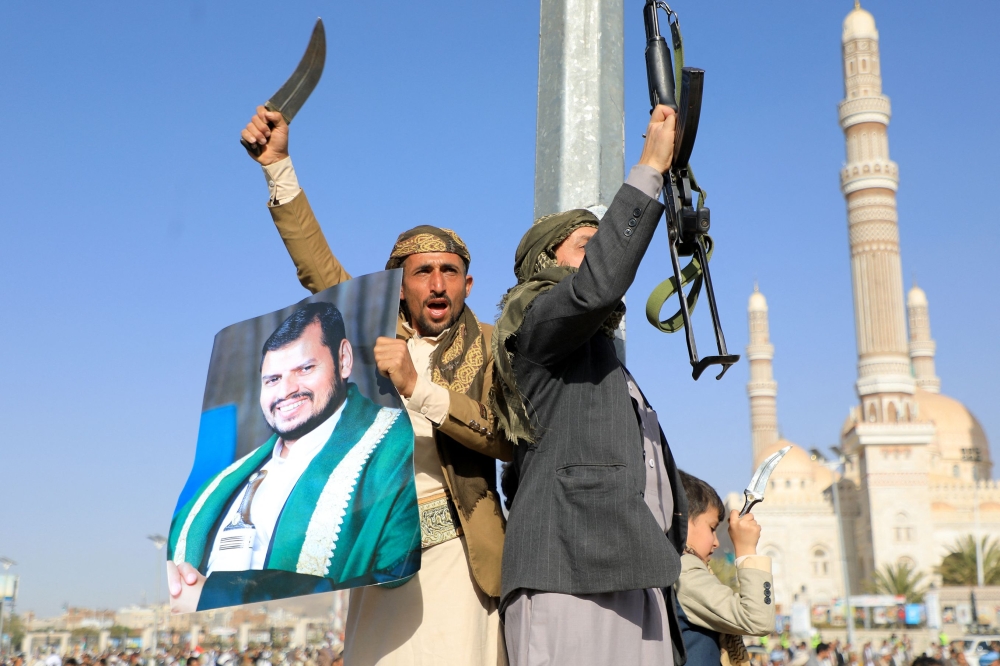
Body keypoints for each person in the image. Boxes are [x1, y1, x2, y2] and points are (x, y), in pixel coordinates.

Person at [239, 107, 511, 665]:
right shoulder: (364, 337)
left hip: (461, 557)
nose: (438, 283)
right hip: (380, 555)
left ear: (468, 283)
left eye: (450, 271)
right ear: (399, 285)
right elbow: (316, 266)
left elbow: (504, 438)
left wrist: (420, 388)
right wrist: (278, 167)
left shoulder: (493, 345)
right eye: (422, 272)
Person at [490, 104, 686, 665]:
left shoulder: (603, 361)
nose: (600, 258)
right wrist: (650, 167)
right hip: (568, 572)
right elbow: (594, 289)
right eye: (585, 246)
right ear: (547, 263)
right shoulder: (539, 326)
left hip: (631, 566)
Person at [167, 302, 419, 612]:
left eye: (305, 369)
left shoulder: (397, 446)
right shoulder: (221, 486)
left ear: (343, 360)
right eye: (272, 379)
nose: (286, 391)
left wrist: (215, 595)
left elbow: (395, 572)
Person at [675, 471, 774, 666]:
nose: (716, 542)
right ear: (681, 520)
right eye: (712, 528)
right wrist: (746, 550)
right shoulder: (683, 569)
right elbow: (758, 619)